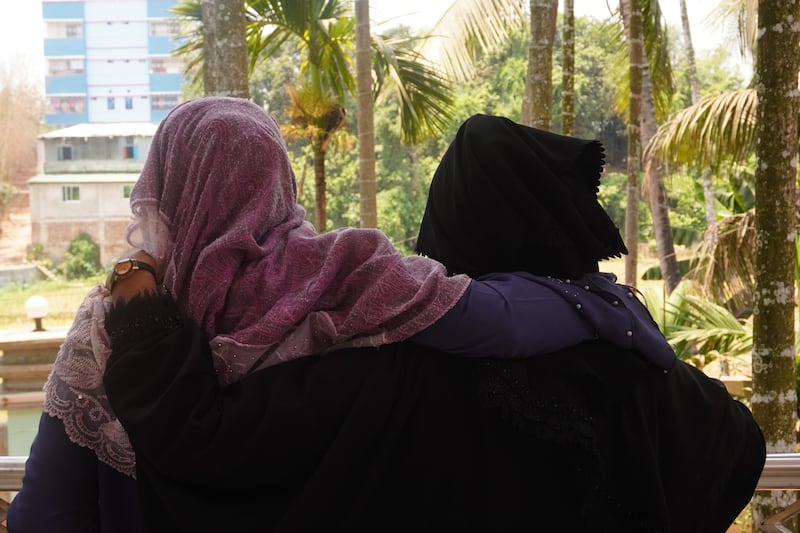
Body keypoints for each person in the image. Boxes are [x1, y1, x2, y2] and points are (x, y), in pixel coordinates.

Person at [7, 99, 674, 532]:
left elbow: (50, 508)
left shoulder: (114, 319)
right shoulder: (339, 279)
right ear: (277, 180)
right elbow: (493, 319)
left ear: (164, 182)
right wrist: (600, 306)